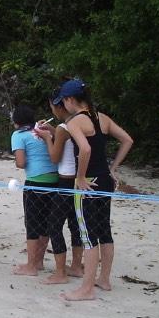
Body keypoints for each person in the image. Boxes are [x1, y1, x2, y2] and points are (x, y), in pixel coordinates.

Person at [54, 79, 133, 301]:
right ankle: (104, 279)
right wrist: (112, 168)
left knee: (88, 235)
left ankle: (86, 288)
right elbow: (127, 140)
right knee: (104, 230)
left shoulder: (75, 122)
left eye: (64, 101)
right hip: (105, 180)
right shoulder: (102, 118)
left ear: (70, 100)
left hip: (88, 182)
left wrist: (79, 177)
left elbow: (85, 149)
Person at [35, 95, 84, 282]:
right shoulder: (79, 123)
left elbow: (55, 157)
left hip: (65, 181)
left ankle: (60, 272)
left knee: (54, 225)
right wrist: (52, 131)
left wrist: (48, 138)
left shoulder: (65, 127)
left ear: (59, 107)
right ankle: (76, 267)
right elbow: (67, 141)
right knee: (74, 224)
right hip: (77, 181)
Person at [10, 105, 62, 279]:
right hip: (55, 181)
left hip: (36, 182)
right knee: (46, 224)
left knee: (32, 224)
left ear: (16, 122)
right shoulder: (43, 131)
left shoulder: (18, 135)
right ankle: (38, 261)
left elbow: (21, 163)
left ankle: (31, 265)